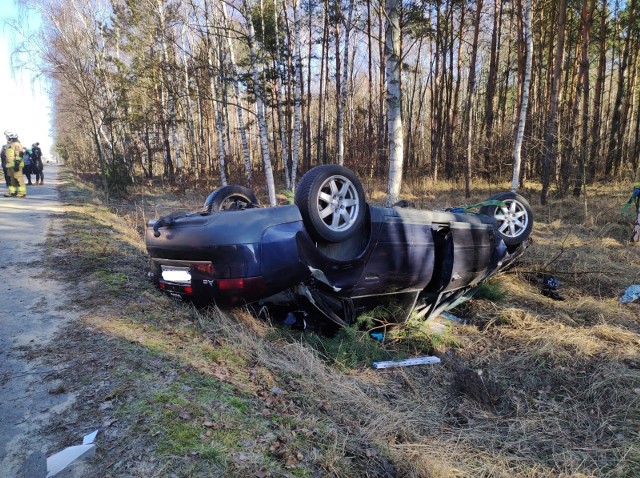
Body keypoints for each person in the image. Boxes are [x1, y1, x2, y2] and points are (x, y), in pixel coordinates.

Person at [3, 131, 26, 198]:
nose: (6, 138)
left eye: (7, 136)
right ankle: (12, 192)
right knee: (11, 180)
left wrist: (17, 164)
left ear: (11, 137)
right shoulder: (9, 145)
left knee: (19, 179)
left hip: (16, 165)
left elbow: (20, 154)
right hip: (10, 165)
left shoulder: (16, 144)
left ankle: (22, 193)